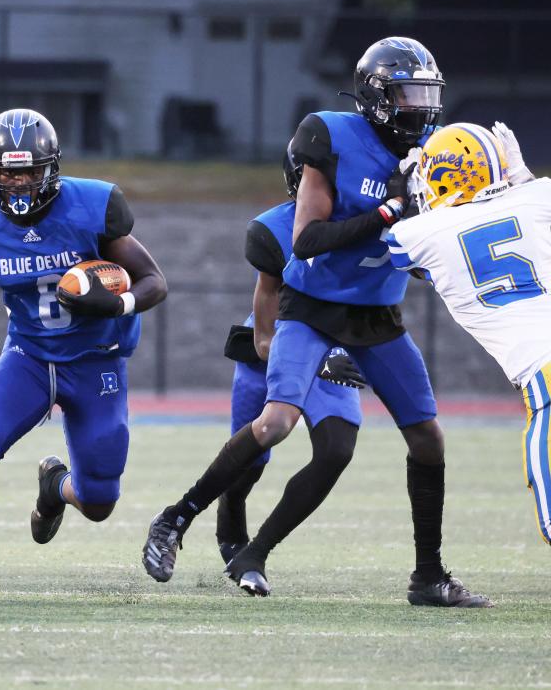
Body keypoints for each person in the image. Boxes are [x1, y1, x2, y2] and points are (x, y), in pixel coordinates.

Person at [143, 37, 491, 607]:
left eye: (426, 94)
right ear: (376, 95)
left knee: (427, 437)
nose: (419, 108)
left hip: (377, 316)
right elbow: (306, 241)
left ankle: (428, 575)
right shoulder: (329, 136)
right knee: (275, 422)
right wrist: (387, 212)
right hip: (311, 310)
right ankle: (176, 517)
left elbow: (427, 247)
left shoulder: (435, 152)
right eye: (407, 94)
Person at [0, 108, 167, 604]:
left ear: (51, 169)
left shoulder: (94, 206)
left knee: (98, 501)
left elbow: (155, 280)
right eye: (7, 171)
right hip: (28, 355)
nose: (18, 182)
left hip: (96, 359)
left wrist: (118, 302)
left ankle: (56, 488)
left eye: (28, 171)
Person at [208, 149, 364, 593]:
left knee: (336, 450)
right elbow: (263, 341)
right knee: (248, 463)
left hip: (333, 349)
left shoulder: (367, 226)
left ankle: (257, 551)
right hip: (278, 352)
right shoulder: (274, 230)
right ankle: (229, 530)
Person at [387, 121, 551, 544]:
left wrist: (401, 191)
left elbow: (405, 253)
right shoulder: (538, 197)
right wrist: (521, 178)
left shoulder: (416, 235)